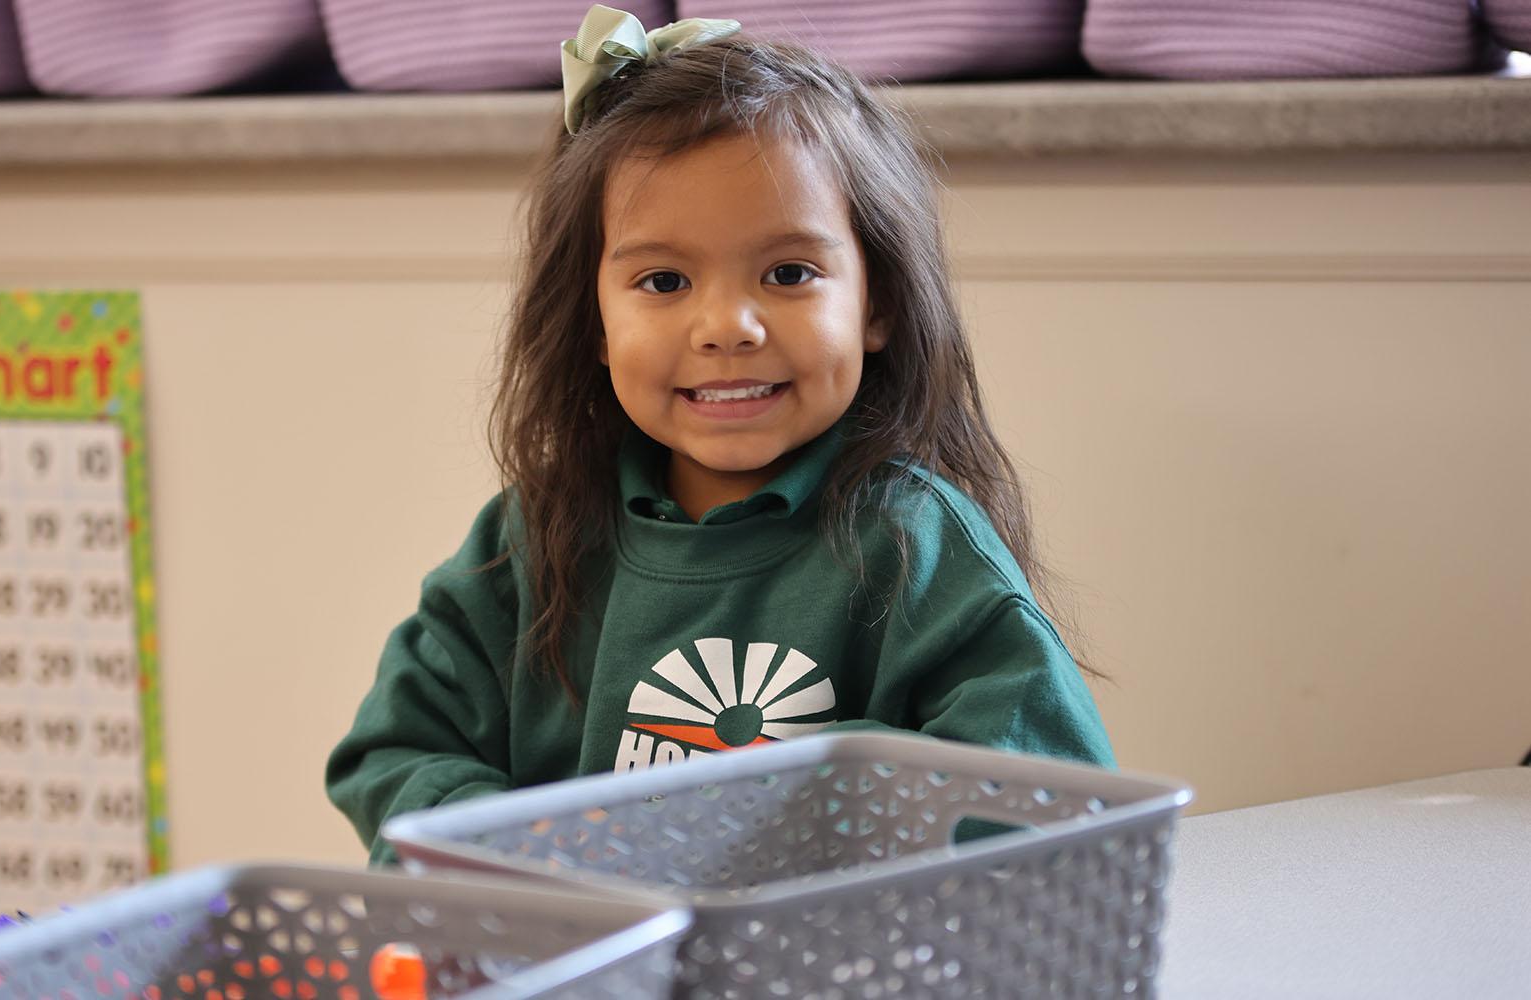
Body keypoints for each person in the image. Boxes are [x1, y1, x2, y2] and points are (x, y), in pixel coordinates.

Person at [327, 5, 1113, 864]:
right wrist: (536, 854)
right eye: (663, 280)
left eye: (789, 273)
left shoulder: (919, 546)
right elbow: (395, 756)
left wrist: (803, 792)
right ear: (591, 318)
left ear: (876, 303)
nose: (726, 327)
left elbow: (1047, 797)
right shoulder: (527, 542)